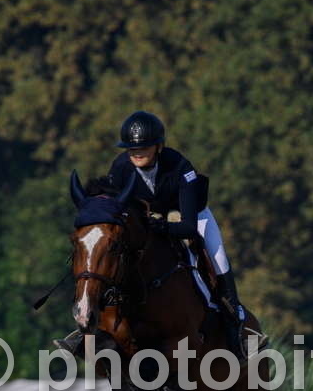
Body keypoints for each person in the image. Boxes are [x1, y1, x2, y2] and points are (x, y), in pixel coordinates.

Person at [57, 110, 247, 360]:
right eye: (132, 148)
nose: (137, 153)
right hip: (148, 221)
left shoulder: (180, 167)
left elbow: (188, 227)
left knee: (218, 257)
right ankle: (90, 326)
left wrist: (163, 227)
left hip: (188, 215)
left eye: (144, 147)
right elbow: (114, 209)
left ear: (158, 146)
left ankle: (235, 324)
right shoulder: (121, 167)